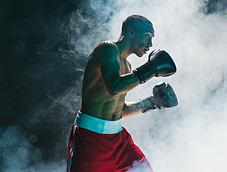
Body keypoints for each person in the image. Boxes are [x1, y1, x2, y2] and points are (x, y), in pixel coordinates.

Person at [67, 14, 178, 172]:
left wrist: (152, 102)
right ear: (131, 31)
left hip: (118, 139)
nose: (150, 43)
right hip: (91, 138)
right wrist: (150, 69)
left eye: (152, 38)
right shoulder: (107, 49)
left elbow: (119, 109)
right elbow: (114, 87)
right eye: (147, 36)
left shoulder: (127, 66)